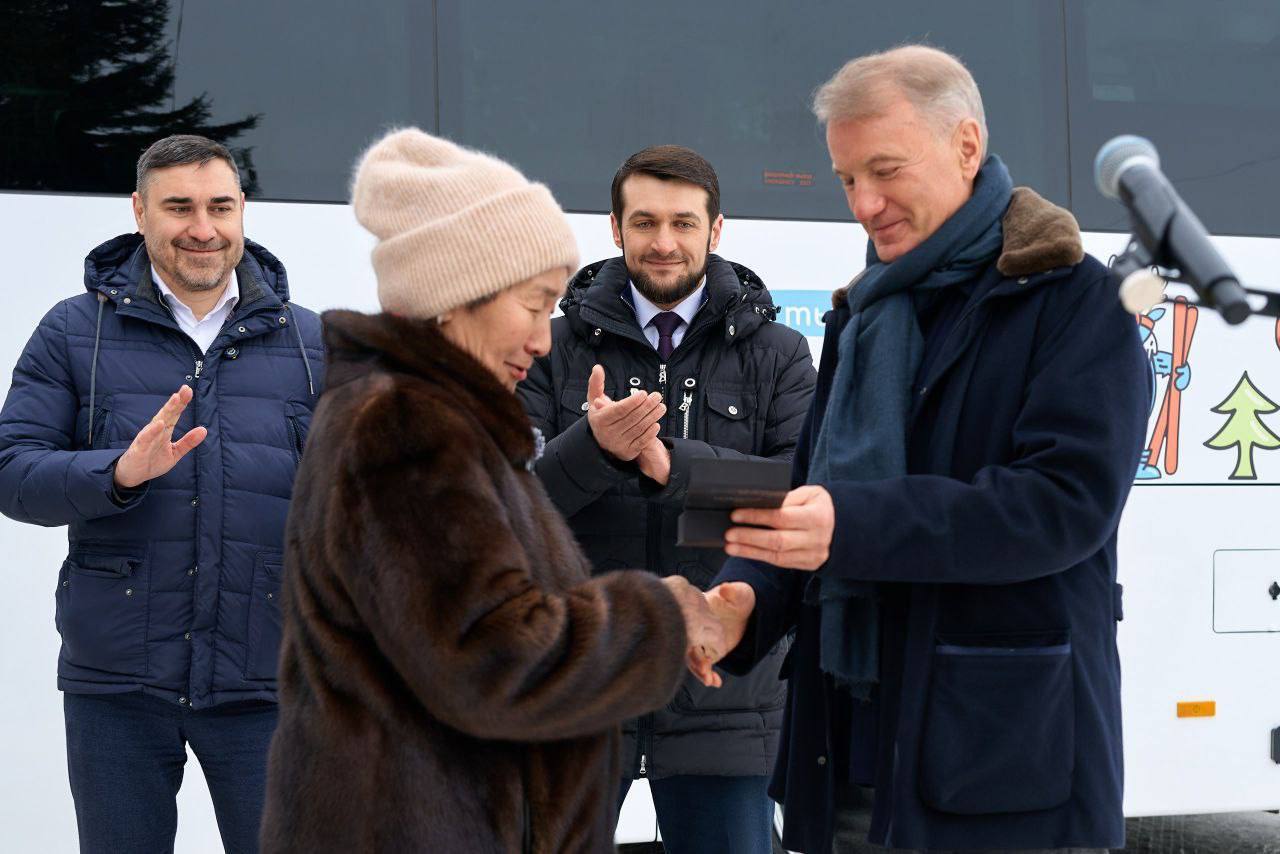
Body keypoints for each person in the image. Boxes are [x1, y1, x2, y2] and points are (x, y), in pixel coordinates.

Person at [694, 46, 1148, 853]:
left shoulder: (1079, 302)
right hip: (845, 758)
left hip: (1001, 773)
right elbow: (809, 498)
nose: (864, 204)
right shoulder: (862, 313)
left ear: (966, 146)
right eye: (846, 179)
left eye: (885, 170)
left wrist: (854, 526)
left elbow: (1060, 506)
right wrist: (741, 602)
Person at [258, 129, 728, 854]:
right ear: (456, 299)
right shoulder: (407, 429)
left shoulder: (426, 415)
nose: (542, 341)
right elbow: (492, 657)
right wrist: (657, 617)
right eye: (533, 306)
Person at [0, 134, 324, 853]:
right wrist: (116, 474)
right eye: (179, 207)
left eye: (220, 207)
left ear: (243, 211)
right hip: (118, 684)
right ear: (140, 212)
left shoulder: (311, 343)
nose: (203, 229)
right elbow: (13, 473)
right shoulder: (73, 332)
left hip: (267, 682)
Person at [518, 144, 816, 854]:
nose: (664, 242)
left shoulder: (779, 354)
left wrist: (671, 466)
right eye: (645, 222)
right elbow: (511, 506)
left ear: (716, 231)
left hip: (727, 693)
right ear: (614, 228)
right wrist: (592, 450)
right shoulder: (548, 349)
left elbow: (798, 497)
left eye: (683, 223)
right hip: (581, 682)